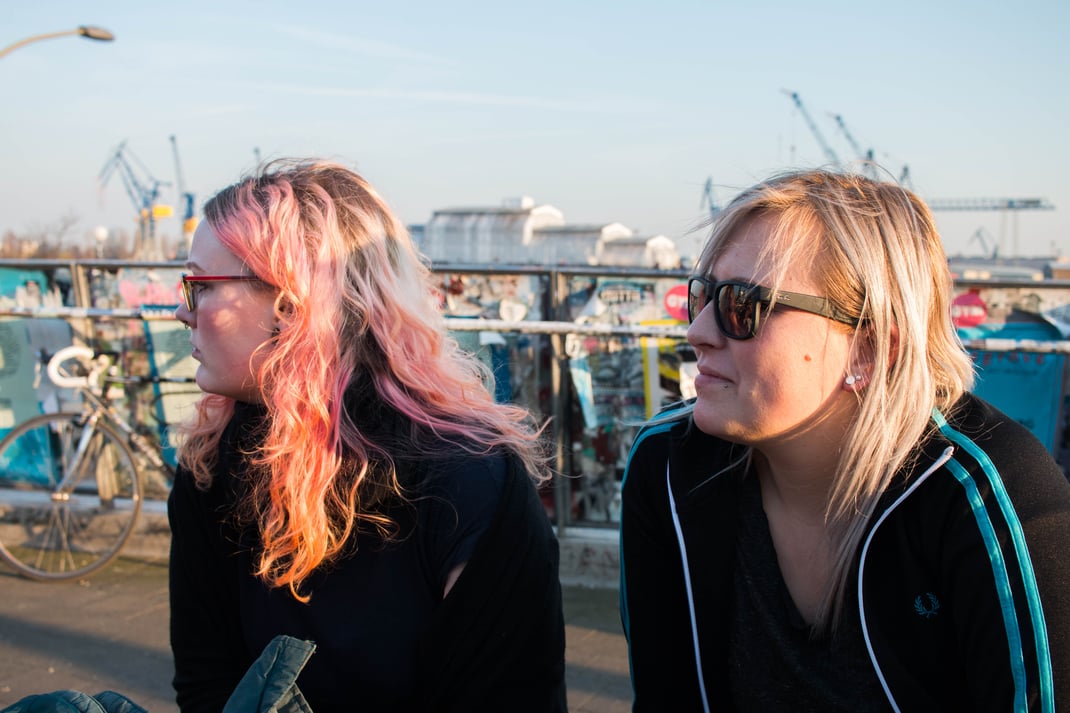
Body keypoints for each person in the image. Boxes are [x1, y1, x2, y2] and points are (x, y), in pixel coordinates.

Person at [619, 169, 1070, 711]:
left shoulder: (989, 499)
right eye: (704, 296)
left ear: (868, 350)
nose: (697, 332)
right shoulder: (670, 467)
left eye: (743, 305)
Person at [169, 159, 566, 712]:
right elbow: (207, 683)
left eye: (197, 286)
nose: (179, 311)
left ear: (291, 305)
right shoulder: (212, 464)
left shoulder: (468, 481)